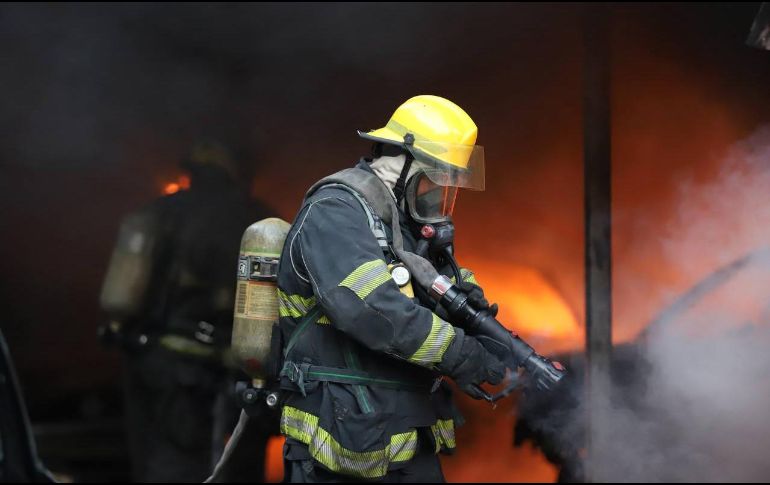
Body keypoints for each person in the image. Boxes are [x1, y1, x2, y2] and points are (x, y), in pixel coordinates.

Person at [276, 95, 505, 482]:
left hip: (399, 436)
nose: (438, 193)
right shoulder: (335, 213)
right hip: (337, 444)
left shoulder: (398, 222)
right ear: (402, 162)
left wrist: (472, 311)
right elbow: (371, 309)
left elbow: (436, 279)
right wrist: (459, 352)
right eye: (434, 179)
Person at [99, 140, 273, 482]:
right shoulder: (261, 220)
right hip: (240, 372)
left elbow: (122, 304)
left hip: (168, 366)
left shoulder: (158, 214)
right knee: (238, 466)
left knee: (170, 462)